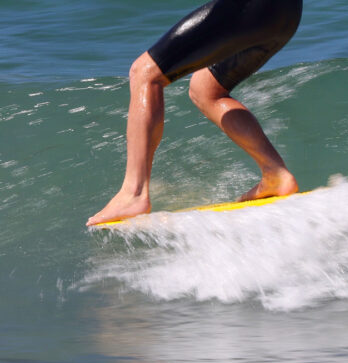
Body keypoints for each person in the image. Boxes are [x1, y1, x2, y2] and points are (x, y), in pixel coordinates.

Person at [87, 0, 302, 226]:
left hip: (250, 7)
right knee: (206, 90)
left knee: (144, 73)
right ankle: (276, 174)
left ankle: (134, 193)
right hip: (286, 14)